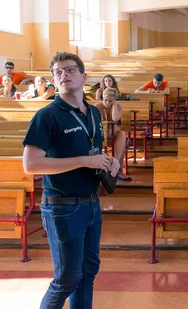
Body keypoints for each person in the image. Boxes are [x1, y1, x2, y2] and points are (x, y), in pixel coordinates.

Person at [22, 51, 120, 309]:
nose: (63, 74)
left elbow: (91, 151)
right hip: (62, 206)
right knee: (67, 278)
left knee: (88, 271)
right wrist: (84, 161)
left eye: (69, 69)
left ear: (84, 76)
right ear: (54, 81)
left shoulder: (95, 113)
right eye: (58, 72)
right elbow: (31, 165)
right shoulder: (47, 115)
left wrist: (109, 160)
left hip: (90, 203)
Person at [94, 88, 130, 181]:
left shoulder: (118, 106)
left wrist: (114, 105)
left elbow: (115, 119)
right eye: (105, 100)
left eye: (111, 101)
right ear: (102, 97)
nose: (107, 103)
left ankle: (116, 164)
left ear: (115, 99)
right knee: (121, 140)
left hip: (113, 133)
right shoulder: (96, 107)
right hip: (100, 134)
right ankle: (117, 169)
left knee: (122, 134)